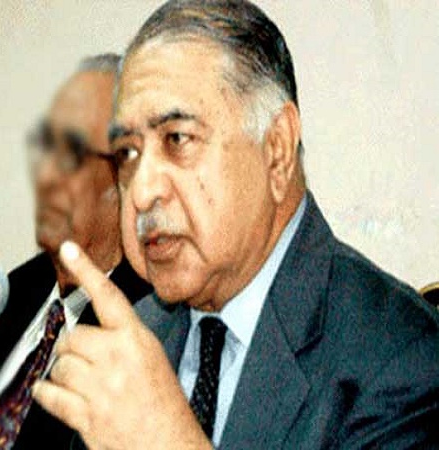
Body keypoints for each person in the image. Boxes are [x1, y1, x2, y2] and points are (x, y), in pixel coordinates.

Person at [32, 1, 439, 449]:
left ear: (277, 149)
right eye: (128, 153)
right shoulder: (132, 343)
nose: (142, 192)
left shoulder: (404, 358)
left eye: (177, 139)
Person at [0, 53, 152, 450]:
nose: (46, 174)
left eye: (69, 154)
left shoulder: (141, 329)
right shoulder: (16, 291)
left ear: (125, 175)